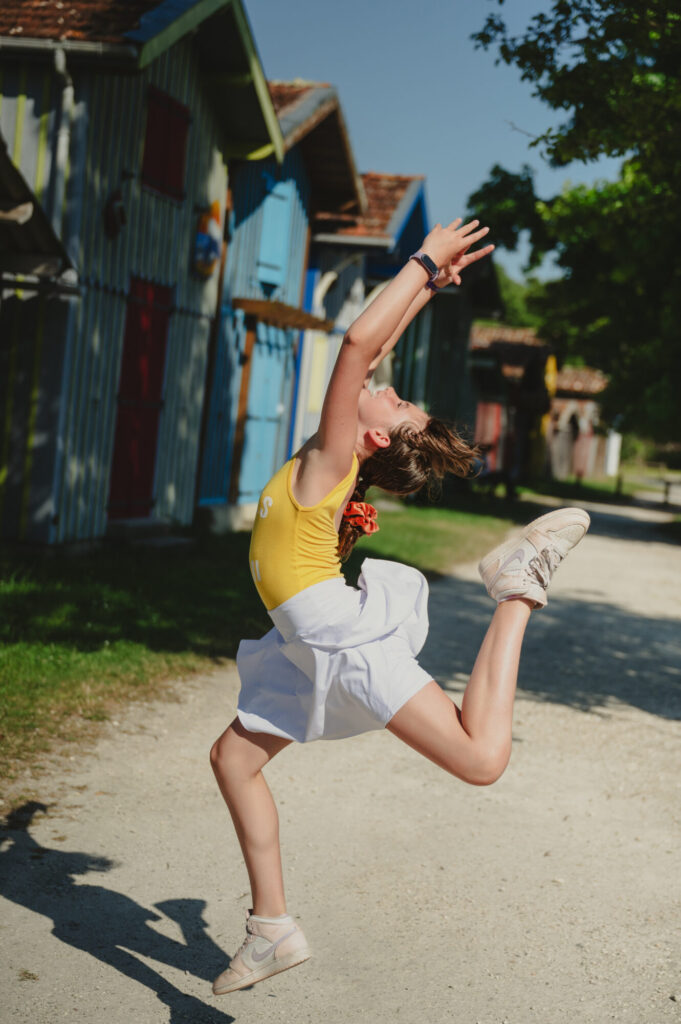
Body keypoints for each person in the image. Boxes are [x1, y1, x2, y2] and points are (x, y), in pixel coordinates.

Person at [209, 219, 590, 995]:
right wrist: (427, 292)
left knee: (480, 759)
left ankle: (517, 587)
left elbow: (357, 349)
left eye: (397, 404)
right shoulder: (337, 457)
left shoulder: (329, 459)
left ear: (372, 439)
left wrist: (421, 261)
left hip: (337, 642)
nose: (390, 388)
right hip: (303, 642)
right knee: (233, 760)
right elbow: (373, 353)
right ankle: (271, 928)